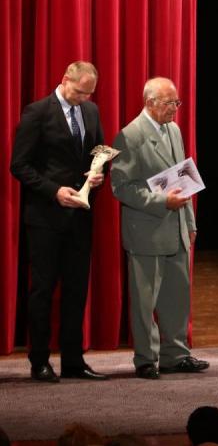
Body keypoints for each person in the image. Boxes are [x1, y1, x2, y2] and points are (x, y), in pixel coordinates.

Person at [10, 61, 108, 382]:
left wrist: (97, 175)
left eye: (89, 93)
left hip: (80, 217)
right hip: (45, 219)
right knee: (42, 291)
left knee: (76, 291)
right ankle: (39, 361)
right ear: (65, 79)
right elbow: (19, 165)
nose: (83, 98)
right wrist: (54, 191)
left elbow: (99, 153)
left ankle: (73, 361)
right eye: (79, 92)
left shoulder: (91, 111)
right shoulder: (37, 112)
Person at [111, 77, 209, 380]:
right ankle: (146, 359)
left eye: (176, 102)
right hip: (147, 230)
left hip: (176, 228)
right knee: (145, 301)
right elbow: (121, 187)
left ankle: (175, 355)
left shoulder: (173, 130)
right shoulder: (129, 136)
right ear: (150, 103)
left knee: (177, 296)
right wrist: (161, 201)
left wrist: (190, 222)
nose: (174, 109)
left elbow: (183, 178)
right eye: (169, 103)